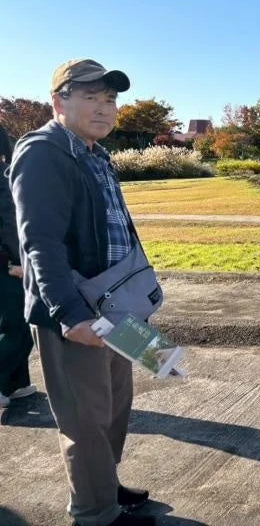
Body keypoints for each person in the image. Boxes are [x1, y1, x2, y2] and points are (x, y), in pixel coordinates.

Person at [10, 59, 155, 526]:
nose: (104, 108)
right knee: (85, 419)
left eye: (110, 99)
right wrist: (69, 315)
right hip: (78, 312)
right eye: (90, 97)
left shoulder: (95, 152)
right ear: (59, 102)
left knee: (115, 406)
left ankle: (104, 485)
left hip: (116, 305)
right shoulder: (42, 152)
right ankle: (94, 512)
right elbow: (40, 243)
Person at [0, 124, 36, 409]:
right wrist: (10, 265)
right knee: (17, 326)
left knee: (21, 325)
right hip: (8, 268)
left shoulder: (8, 177)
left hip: (18, 264)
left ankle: (16, 382)